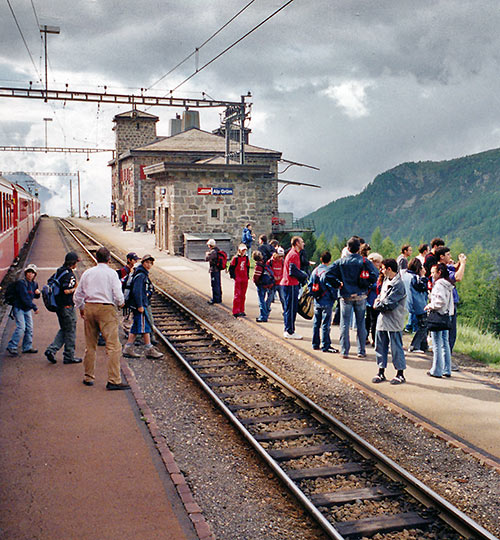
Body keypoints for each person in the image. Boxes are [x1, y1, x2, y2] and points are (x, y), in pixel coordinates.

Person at [74, 246, 129, 390]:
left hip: (89, 307)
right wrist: (121, 303)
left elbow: (77, 295)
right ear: (109, 259)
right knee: (113, 346)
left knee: (90, 345)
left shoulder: (87, 273)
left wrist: (81, 308)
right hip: (106, 309)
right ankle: (114, 380)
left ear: (96, 258)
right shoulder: (112, 274)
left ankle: (88, 376)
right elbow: (118, 295)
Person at [326, 236, 378, 358]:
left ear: (348, 248)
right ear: (358, 248)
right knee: (360, 323)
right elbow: (375, 274)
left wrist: (337, 284)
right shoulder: (364, 261)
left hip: (345, 295)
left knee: (344, 324)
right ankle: (361, 351)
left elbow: (327, 275)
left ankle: (345, 351)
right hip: (361, 295)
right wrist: (367, 284)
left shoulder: (341, 262)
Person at [372, 258, 407, 385]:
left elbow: (389, 303)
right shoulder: (387, 280)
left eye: (382, 268)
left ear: (389, 269)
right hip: (382, 319)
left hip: (394, 320)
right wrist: (378, 302)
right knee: (380, 345)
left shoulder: (398, 284)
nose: (381, 270)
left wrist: (377, 305)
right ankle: (381, 371)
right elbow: (382, 298)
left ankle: (400, 373)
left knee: (396, 347)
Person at [122, 255, 163, 359]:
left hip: (138, 305)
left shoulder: (141, 273)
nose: (149, 265)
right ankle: (149, 349)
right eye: (147, 262)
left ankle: (128, 348)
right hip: (140, 306)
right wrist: (140, 305)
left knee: (136, 327)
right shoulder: (141, 275)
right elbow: (137, 291)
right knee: (145, 327)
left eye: (151, 263)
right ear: (143, 263)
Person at [45, 252, 82, 365]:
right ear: (73, 262)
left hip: (59, 306)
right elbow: (66, 290)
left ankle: (51, 350)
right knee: (70, 331)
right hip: (67, 307)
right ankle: (69, 356)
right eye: (76, 262)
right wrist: (76, 288)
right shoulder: (69, 274)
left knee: (64, 329)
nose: (77, 264)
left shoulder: (60, 270)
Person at [434, 246, 467, 367]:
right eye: (448, 254)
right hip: (447, 304)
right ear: (442, 256)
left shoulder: (442, 268)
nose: (450, 256)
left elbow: (454, 269)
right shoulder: (443, 270)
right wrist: (462, 263)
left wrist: (459, 263)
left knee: (445, 334)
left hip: (445, 303)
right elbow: (458, 277)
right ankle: (446, 362)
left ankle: (443, 362)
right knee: (449, 334)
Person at [424, 263, 455, 378]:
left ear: (439, 272)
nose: (431, 275)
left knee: (436, 343)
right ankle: (447, 368)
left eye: (433, 272)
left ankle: (436, 370)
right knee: (445, 342)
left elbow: (439, 301)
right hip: (447, 315)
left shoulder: (438, 285)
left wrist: (430, 305)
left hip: (438, 316)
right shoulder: (448, 284)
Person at [308, 251, 340, 353]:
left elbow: (310, 286)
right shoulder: (329, 271)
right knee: (326, 324)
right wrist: (334, 297)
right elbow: (332, 287)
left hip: (317, 300)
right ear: (330, 260)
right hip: (327, 300)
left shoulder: (315, 271)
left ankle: (315, 343)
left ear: (321, 259)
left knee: (316, 323)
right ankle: (326, 345)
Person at [6, 264, 40, 356]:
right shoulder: (21, 283)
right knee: (21, 327)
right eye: (29, 272)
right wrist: (34, 307)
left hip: (27, 308)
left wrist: (37, 294)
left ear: (35, 275)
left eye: (32, 273)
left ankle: (27, 347)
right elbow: (24, 298)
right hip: (19, 308)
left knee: (29, 328)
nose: (30, 274)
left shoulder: (34, 284)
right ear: (25, 273)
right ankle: (12, 346)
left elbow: (34, 296)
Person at [281, 236, 307, 339]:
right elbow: (293, 271)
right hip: (291, 284)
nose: (303, 243)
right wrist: (303, 275)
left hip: (289, 283)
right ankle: (290, 331)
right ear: (297, 243)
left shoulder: (292, 254)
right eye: (302, 242)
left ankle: (288, 329)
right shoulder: (294, 255)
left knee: (289, 307)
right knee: (291, 308)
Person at [406, 258, 429, 353]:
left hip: (411, 302)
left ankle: (424, 346)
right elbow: (422, 286)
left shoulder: (405, 275)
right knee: (424, 325)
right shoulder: (414, 277)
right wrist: (423, 276)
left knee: (423, 324)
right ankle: (414, 346)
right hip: (419, 304)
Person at [365, 252, 383, 346]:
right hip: (373, 298)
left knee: (369, 319)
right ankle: (374, 339)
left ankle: (366, 337)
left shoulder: (370, 271)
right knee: (373, 320)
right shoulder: (374, 272)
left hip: (370, 299)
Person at [229, 244, 250, 318]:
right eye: (242, 250)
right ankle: (236, 310)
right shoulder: (236, 258)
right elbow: (231, 268)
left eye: (244, 250)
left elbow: (247, 267)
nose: (243, 252)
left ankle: (241, 310)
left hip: (244, 278)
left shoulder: (246, 258)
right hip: (238, 278)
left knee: (243, 295)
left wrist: (247, 276)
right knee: (237, 295)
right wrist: (234, 276)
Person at [253, 250, 274, 322]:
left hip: (261, 285)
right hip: (267, 284)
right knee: (264, 300)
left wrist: (256, 282)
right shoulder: (264, 264)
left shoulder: (258, 266)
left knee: (261, 301)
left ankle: (263, 316)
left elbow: (256, 277)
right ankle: (265, 314)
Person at [205, 238, 222, 304]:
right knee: (218, 284)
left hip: (214, 270)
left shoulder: (213, 252)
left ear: (210, 245)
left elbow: (207, 258)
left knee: (214, 284)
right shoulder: (217, 250)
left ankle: (216, 298)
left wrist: (207, 253)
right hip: (217, 270)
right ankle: (219, 298)